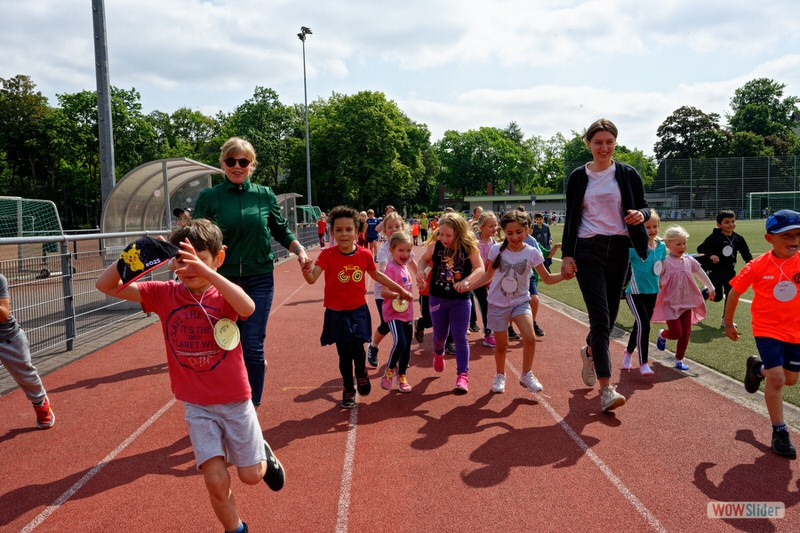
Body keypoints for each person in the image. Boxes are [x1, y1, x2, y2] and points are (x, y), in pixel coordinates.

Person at [95, 220, 286, 533]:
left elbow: (248, 306)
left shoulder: (223, 294)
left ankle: (261, 450)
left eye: (200, 258)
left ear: (218, 259)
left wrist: (209, 273)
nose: (192, 267)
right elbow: (106, 286)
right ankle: (235, 529)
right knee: (214, 479)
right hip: (197, 406)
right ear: (173, 262)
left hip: (236, 401)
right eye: (184, 260)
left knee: (251, 476)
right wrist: (135, 255)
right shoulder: (163, 294)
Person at [192, 137, 312, 408]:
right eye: (231, 161)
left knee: (252, 344)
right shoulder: (210, 197)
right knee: (227, 342)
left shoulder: (264, 194)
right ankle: (230, 394)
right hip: (224, 280)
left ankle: (250, 410)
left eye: (243, 161)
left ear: (251, 165)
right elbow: (197, 236)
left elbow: (280, 228)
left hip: (259, 278)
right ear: (222, 164)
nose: (237, 166)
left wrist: (299, 250)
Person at [561, 118, 650, 412]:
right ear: (588, 144)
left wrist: (641, 214)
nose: (604, 147)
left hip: (619, 251)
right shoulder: (578, 177)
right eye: (598, 142)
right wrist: (568, 255)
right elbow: (571, 216)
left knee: (609, 320)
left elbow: (646, 207)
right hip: (588, 250)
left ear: (615, 143)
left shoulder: (627, 173)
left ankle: (589, 350)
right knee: (600, 319)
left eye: (609, 142)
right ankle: (606, 389)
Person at [302, 206, 412, 409]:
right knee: (344, 354)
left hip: (358, 311)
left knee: (358, 350)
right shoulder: (327, 255)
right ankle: (348, 388)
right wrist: (305, 269)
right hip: (336, 313)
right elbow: (311, 279)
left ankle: (361, 373)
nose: (344, 234)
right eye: (339, 230)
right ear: (332, 232)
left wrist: (400, 289)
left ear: (357, 231)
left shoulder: (364, 255)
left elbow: (378, 276)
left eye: (348, 229)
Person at [723, 209, 800, 459]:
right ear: (770, 239)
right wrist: (728, 322)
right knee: (777, 380)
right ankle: (780, 432)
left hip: (796, 332)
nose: (794, 240)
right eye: (787, 235)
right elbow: (734, 292)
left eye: (798, 234)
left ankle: (757, 369)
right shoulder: (758, 265)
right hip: (767, 329)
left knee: (789, 379)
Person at [472, 210, 564, 394]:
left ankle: (526, 374)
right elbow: (488, 275)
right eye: (510, 233)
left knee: (529, 338)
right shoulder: (496, 249)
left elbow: (546, 278)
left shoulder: (532, 252)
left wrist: (564, 275)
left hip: (520, 301)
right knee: (502, 345)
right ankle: (500, 375)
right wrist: (469, 286)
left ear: (528, 230)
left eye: (519, 232)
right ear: (503, 232)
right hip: (498, 303)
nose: (515, 236)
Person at [415, 212, 484, 394]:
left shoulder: (468, 247)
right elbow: (423, 260)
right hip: (437, 297)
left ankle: (463, 375)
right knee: (439, 337)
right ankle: (438, 353)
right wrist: (420, 271)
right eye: (442, 234)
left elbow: (480, 268)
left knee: (461, 336)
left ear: (459, 233)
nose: (444, 239)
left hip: (460, 300)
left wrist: (467, 281)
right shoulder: (436, 246)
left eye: (448, 235)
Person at [652, 226, 715, 370]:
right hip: (670, 303)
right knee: (676, 333)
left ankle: (679, 359)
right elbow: (657, 278)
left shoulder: (688, 260)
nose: (683, 247)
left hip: (687, 303)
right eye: (678, 244)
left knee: (686, 333)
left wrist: (711, 288)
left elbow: (700, 273)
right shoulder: (665, 262)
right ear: (668, 245)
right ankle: (663, 334)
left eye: (684, 243)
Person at [0, 273, 55, 429]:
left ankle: (40, 403)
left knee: (26, 376)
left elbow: (3, 314)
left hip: (7, 338)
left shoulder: (0, 280)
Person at [367, 212, 417, 367]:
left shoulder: (405, 245)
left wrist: (422, 279)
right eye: (390, 227)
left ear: (402, 227)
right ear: (384, 231)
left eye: (397, 226)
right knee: (386, 324)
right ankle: (373, 347)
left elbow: (413, 264)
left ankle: (401, 354)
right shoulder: (384, 251)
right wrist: (383, 272)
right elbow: (381, 268)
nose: (394, 229)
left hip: (401, 293)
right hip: (383, 292)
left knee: (401, 323)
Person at [622, 210, 666, 376]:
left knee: (638, 326)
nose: (652, 230)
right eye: (647, 227)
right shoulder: (633, 247)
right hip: (634, 294)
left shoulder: (661, 247)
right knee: (644, 326)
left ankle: (627, 353)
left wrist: (663, 287)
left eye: (655, 226)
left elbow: (662, 268)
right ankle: (643, 363)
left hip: (653, 293)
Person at [696, 209, 753, 319]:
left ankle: (726, 319)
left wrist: (750, 264)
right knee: (717, 297)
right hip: (714, 271)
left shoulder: (738, 238)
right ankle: (704, 292)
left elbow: (746, 253)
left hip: (729, 272)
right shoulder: (714, 237)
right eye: (727, 222)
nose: (731, 224)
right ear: (719, 224)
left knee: (731, 294)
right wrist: (711, 255)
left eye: (733, 221)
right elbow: (701, 248)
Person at [379, 231, 416, 393]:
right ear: (392, 251)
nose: (405, 254)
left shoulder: (405, 268)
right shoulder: (391, 269)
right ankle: (389, 370)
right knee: (400, 342)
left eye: (408, 251)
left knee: (407, 347)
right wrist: (399, 294)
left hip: (407, 314)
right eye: (401, 250)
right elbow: (384, 292)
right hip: (393, 314)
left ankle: (402, 376)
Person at [474, 210, 500, 348]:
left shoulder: (493, 241)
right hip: (475, 278)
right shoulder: (474, 241)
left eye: (495, 225)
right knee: (484, 304)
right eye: (491, 226)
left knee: (493, 303)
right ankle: (488, 334)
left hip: (489, 277)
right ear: (482, 227)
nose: (494, 228)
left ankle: (491, 331)